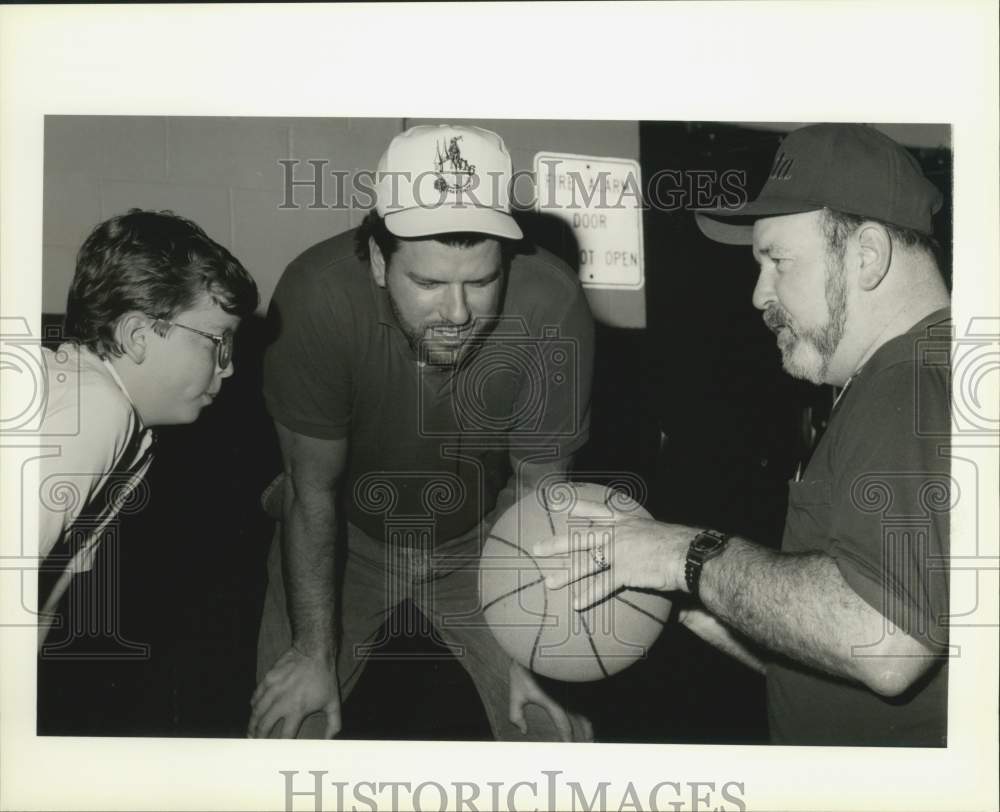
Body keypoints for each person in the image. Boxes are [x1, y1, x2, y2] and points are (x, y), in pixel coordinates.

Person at [535, 124, 951, 746]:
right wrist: (702, 602)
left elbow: (882, 641)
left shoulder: (910, 384)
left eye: (778, 261)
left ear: (866, 255)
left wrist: (682, 555)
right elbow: (857, 643)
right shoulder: (911, 373)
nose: (758, 294)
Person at [248, 124, 596, 742]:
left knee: (555, 737)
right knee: (286, 735)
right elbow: (311, 493)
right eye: (430, 284)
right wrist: (312, 650)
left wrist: (529, 652)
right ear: (380, 262)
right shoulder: (317, 296)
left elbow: (539, 495)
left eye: (482, 281)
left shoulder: (553, 303)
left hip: (487, 542)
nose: (458, 312)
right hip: (343, 537)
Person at [38, 209, 259, 646]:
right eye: (218, 342)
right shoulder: (98, 411)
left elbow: (43, 601)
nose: (229, 368)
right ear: (137, 335)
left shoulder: (134, 433)